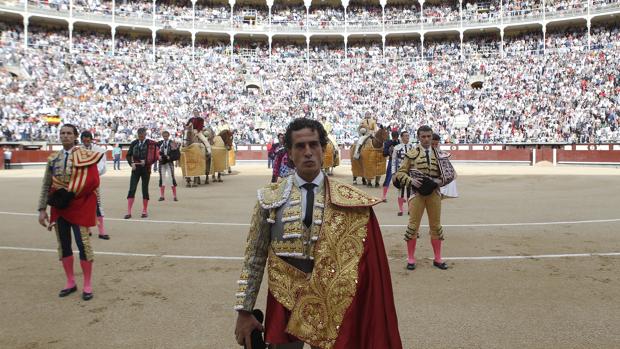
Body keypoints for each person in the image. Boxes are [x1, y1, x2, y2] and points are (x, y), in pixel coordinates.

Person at [234, 118, 402, 349]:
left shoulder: (351, 200)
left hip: (331, 299)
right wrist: (244, 311)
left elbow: (366, 267)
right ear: (290, 153)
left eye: (314, 145)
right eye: (300, 146)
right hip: (285, 297)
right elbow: (254, 258)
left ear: (324, 150)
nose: (308, 152)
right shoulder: (270, 197)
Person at [37, 124, 103, 301]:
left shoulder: (86, 156)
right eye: (62, 133)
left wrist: (72, 193)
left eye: (68, 133)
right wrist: (42, 209)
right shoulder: (53, 158)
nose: (65, 136)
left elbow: (93, 181)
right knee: (63, 244)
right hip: (59, 207)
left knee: (83, 245)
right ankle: (70, 281)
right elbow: (46, 185)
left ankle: (87, 284)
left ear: (75, 136)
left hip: (78, 205)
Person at [395, 125, 456, 271]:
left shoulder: (439, 154)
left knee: (436, 226)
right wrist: (411, 181)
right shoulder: (411, 154)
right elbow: (399, 174)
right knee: (413, 226)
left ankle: (437, 258)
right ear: (419, 137)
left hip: (434, 194)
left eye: (429, 136)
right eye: (423, 136)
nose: (427, 139)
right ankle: (410, 258)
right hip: (416, 194)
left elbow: (450, 174)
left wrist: (438, 182)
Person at [80, 131, 110, 240]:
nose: (86, 141)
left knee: (97, 204)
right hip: (82, 182)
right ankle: (87, 229)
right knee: (84, 205)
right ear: (82, 139)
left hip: (93, 182)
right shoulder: (78, 150)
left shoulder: (98, 150)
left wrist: (91, 173)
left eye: (88, 139)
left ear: (91, 139)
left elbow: (102, 167)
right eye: (84, 139)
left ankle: (101, 231)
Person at [125, 128, 159, 219]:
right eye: (139, 136)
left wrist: (148, 162)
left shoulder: (150, 143)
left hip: (146, 169)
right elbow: (128, 155)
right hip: (135, 169)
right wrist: (131, 163)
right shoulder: (134, 143)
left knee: (145, 189)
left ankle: (144, 210)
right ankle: (129, 212)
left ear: (145, 134)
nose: (140, 138)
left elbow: (155, 156)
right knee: (132, 188)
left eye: (142, 136)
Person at [391, 131, 414, 216]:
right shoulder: (397, 147)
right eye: (406, 136)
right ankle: (401, 210)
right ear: (402, 137)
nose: (407, 137)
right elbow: (393, 161)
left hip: (410, 171)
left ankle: (409, 209)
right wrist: (393, 174)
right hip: (400, 171)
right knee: (400, 190)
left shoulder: (412, 147)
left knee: (410, 190)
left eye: (408, 135)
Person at [433, 133, 459, 199]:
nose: (434, 146)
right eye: (433, 144)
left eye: (436, 144)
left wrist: (453, 172)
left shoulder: (440, 153)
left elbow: (447, 164)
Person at [157, 130, 180, 201]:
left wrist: (171, 157)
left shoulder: (172, 143)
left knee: (171, 178)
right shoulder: (160, 143)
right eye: (164, 136)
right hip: (162, 163)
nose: (165, 137)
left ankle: (175, 196)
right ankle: (162, 196)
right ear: (162, 136)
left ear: (168, 136)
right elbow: (155, 152)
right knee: (162, 178)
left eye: (166, 136)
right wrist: (158, 157)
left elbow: (177, 153)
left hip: (169, 163)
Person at [381, 131, 400, 201]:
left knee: (390, 178)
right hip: (396, 161)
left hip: (395, 161)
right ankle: (384, 196)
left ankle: (384, 196)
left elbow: (384, 153)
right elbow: (385, 153)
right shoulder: (390, 143)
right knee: (389, 178)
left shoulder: (388, 143)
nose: (395, 138)